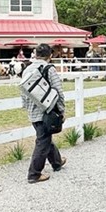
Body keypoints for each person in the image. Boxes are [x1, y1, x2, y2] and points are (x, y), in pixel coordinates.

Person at [19, 43, 67, 184]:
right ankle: (34, 174)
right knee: (43, 140)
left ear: (35, 54)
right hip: (46, 110)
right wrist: (62, 110)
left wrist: (26, 107)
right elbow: (58, 91)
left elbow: (23, 90)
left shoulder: (28, 69)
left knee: (45, 136)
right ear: (50, 55)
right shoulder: (48, 69)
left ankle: (56, 162)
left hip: (33, 110)